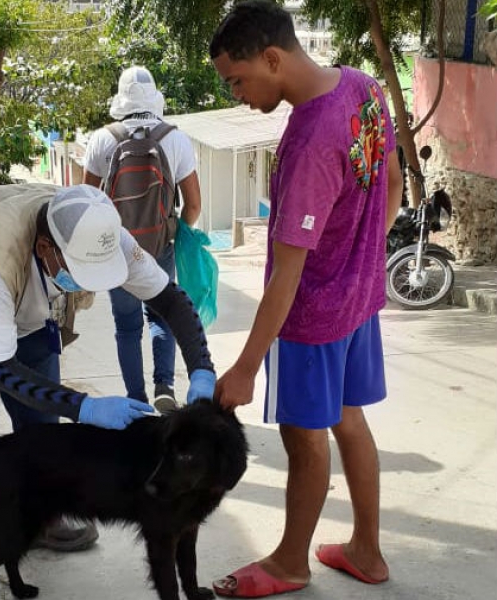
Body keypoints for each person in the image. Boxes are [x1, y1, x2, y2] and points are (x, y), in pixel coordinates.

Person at [0, 183, 217, 600]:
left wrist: (202, 369)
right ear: (47, 247)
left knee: (44, 436)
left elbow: (171, 301)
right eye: (77, 271)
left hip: (24, 319)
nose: (79, 284)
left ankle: (43, 512)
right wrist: (83, 406)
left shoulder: (101, 232)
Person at [207, 2, 401, 596]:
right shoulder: (363, 87)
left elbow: (285, 277)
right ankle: (366, 549)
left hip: (313, 318)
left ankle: (291, 563)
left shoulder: (311, 142)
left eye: (237, 79)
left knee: (305, 438)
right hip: (359, 302)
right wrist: (363, 256)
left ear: (272, 58)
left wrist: (243, 368)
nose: (236, 94)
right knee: (349, 420)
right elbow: (392, 181)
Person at [83, 66, 203, 413]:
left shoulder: (102, 139)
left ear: (121, 99)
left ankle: (136, 400)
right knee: (161, 316)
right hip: (159, 247)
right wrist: (171, 235)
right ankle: (164, 386)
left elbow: (85, 203)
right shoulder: (176, 139)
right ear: (155, 100)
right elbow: (193, 204)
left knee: (126, 326)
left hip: (115, 249)